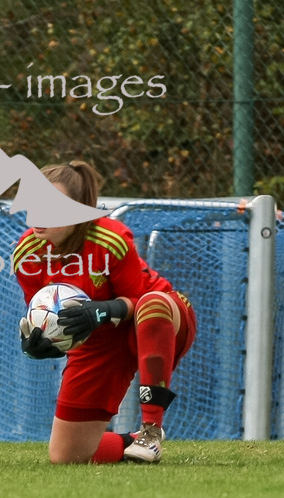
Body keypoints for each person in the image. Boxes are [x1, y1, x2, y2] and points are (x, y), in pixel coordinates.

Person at [13, 160, 196, 464]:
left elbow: (138, 300)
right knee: (65, 456)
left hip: (157, 319)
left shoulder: (110, 238)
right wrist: (42, 345)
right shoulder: (27, 254)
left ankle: (152, 433)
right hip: (99, 341)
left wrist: (100, 311)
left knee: (153, 304)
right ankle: (133, 442)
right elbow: (46, 319)